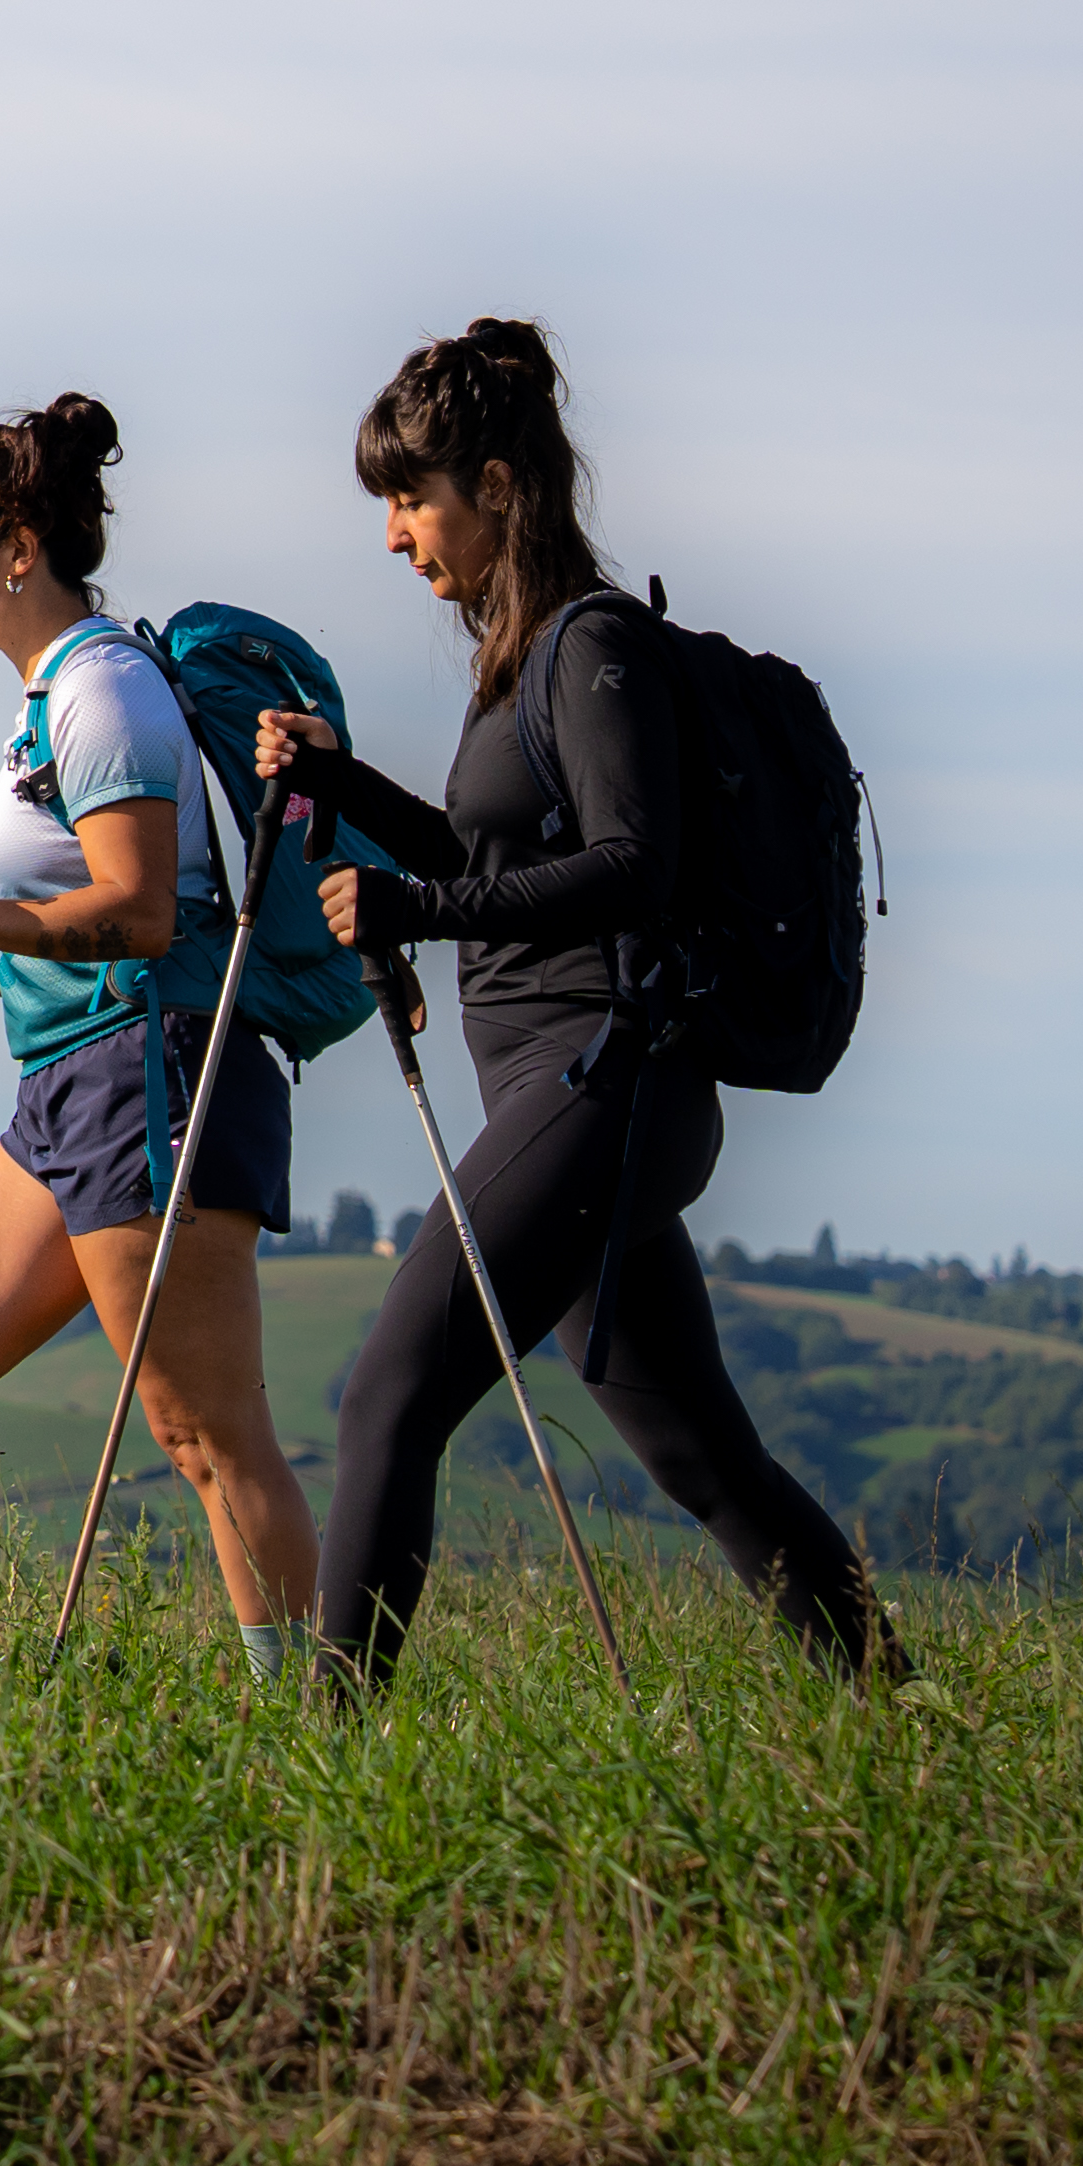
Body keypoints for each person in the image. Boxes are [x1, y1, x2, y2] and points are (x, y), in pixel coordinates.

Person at [248, 318, 885, 1680]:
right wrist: (344, 785)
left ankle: (321, 1758)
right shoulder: (516, 662)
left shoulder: (593, 650)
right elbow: (492, 857)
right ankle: (899, 1703)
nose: (392, 536)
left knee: (385, 1399)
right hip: (574, 1092)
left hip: (608, 1080)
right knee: (700, 1453)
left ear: (493, 484)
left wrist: (419, 912)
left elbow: (632, 868)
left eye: (406, 500)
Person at [0, 394, 324, 1685]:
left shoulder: (104, 692)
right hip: (72, 1080)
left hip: (153, 1080)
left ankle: (317, 1734)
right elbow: (73, 928)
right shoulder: (49, 695)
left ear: (15, 541)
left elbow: (140, 915)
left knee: (200, 1431)